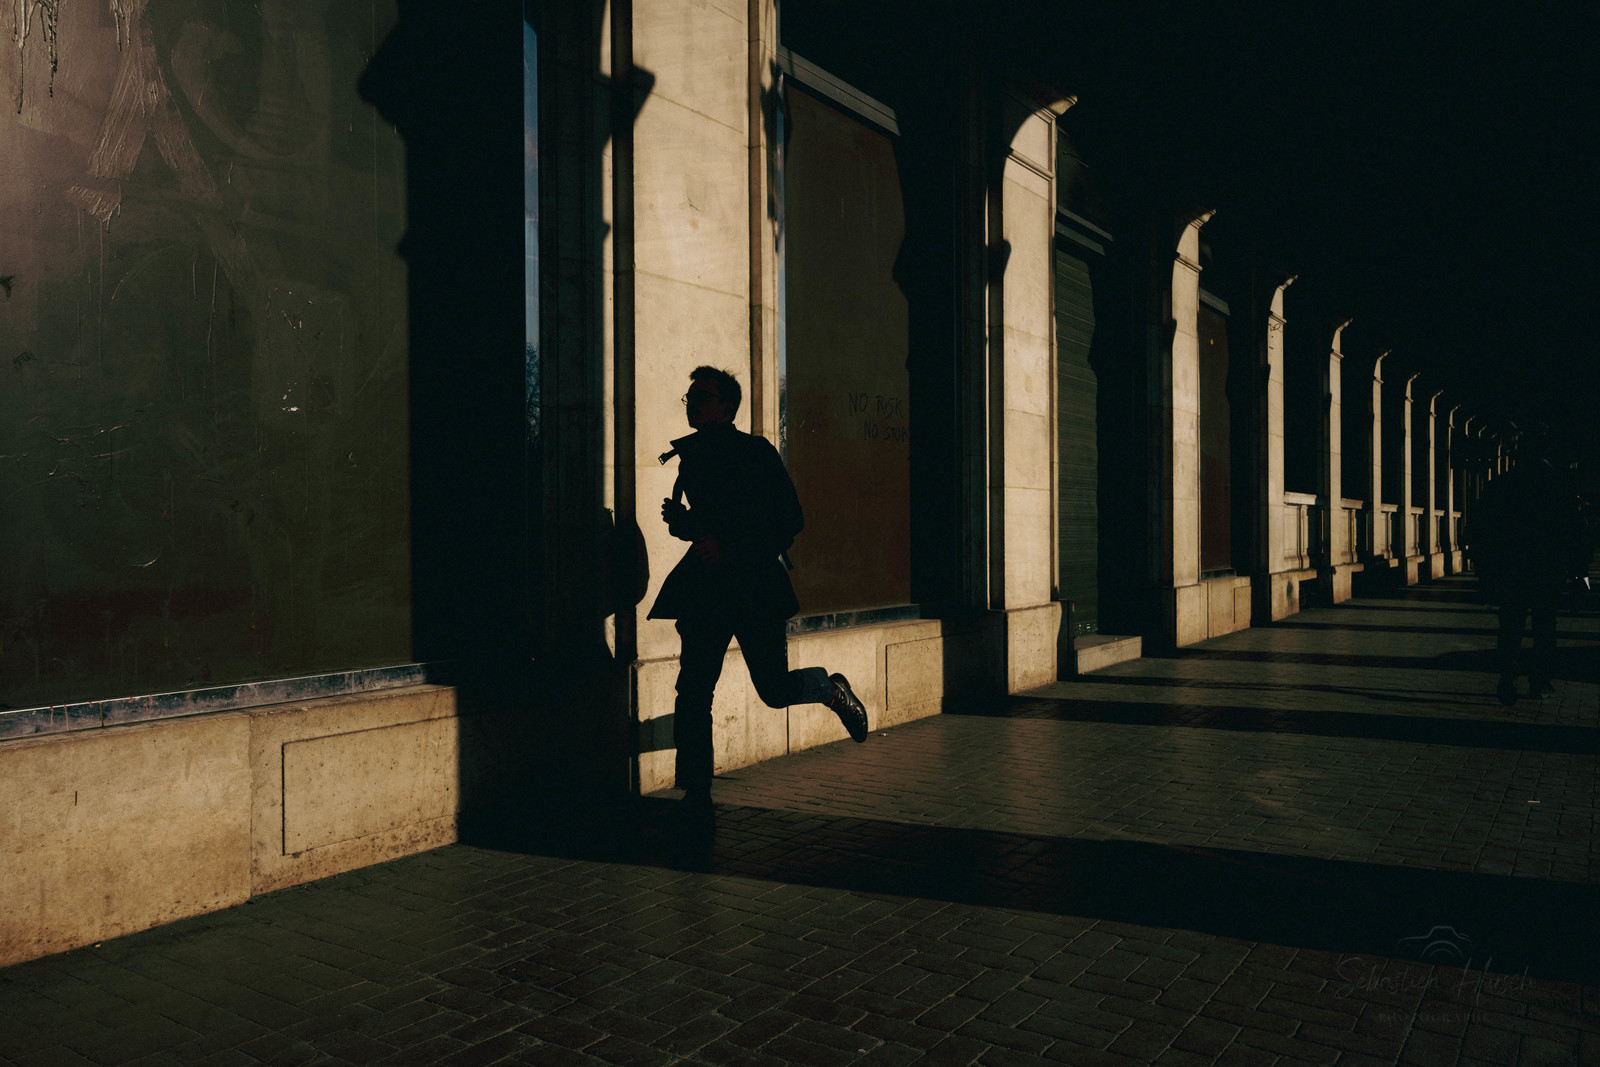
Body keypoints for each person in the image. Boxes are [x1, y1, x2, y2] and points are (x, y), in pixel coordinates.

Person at [647, 366, 868, 812]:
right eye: (690, 397)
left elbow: (789, 520)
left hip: (752, 587)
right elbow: (709, 526)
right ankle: (697, 790)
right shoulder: (691, 455)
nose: (693, 403)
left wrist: (725, 544)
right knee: (693, 690)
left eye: (702, 396)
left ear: (727, 407)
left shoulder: (755, 451)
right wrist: (684, 524)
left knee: (772, 690)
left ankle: (830, 689)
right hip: (707, 590)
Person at [1473, 428, 1586, 705]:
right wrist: (1581, 575)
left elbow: (1481, 532)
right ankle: (1540, 681)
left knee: (1510, 625)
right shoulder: (1560, 488)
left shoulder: (1500, 486)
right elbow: (1577, 535)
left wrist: (1485, 574)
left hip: (1511, 571)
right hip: (1548, 571)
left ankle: (1508, 674)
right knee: (1545, 627)